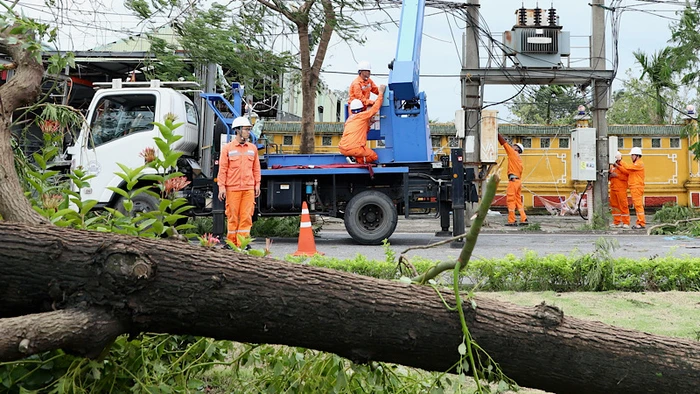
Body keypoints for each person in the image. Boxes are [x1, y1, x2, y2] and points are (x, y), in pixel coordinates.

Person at [217, 116, 261, 247]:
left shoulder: (252, 148)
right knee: (232, 216)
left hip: (248, 188)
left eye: (249, 129)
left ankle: (243, 243)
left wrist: (257, 184)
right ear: (238, 130)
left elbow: (256, 168)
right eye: (246, 129)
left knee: (246, 216)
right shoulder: (227, 148)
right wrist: (221, 187)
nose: (248, 132)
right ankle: (231, 243)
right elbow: (222, 169)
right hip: (233, 188)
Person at [339, 85, 386, 164]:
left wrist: (369, 124)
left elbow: (360, 132)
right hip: (355, 149)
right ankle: (355, 160)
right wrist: (381, 93)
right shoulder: (362, 116)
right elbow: (375, 108)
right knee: (374, 156)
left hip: (342, 148)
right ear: (361, 108)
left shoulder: (349, 120)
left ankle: (352, 157)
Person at [498, 133, 528, 226]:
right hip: (518, 181)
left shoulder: (513, 153)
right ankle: (524, 218)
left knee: (510, 200)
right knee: (518, 201)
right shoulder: (519, 160)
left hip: (513, 181)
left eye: (514, 146)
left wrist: (496, 134)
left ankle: (512, 220)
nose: (512, 146)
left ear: (517, 149)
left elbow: (504, 143)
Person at [614, 147, 645, 229]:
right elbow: (626, 170)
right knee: (637, 205)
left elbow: (627, 167)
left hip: (636, 187)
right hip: (634, 187)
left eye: (632, 155)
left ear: (637, 156)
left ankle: (641, 223)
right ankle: (640, 222)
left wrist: (620, 160)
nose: (631, 157)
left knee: (638, 205)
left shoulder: (639, 164)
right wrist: (618, 165)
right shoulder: (636, 164)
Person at [608, 151, 630, 229]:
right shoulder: (612, 167)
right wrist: (610, 175)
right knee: (614, 206)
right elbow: (609, 176)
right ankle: (616, 221)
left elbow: (627, 173)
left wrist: (617, 174)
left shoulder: (623, 164)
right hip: (613, 188)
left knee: (623, 205)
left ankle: (626, 222)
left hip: (621, 189)